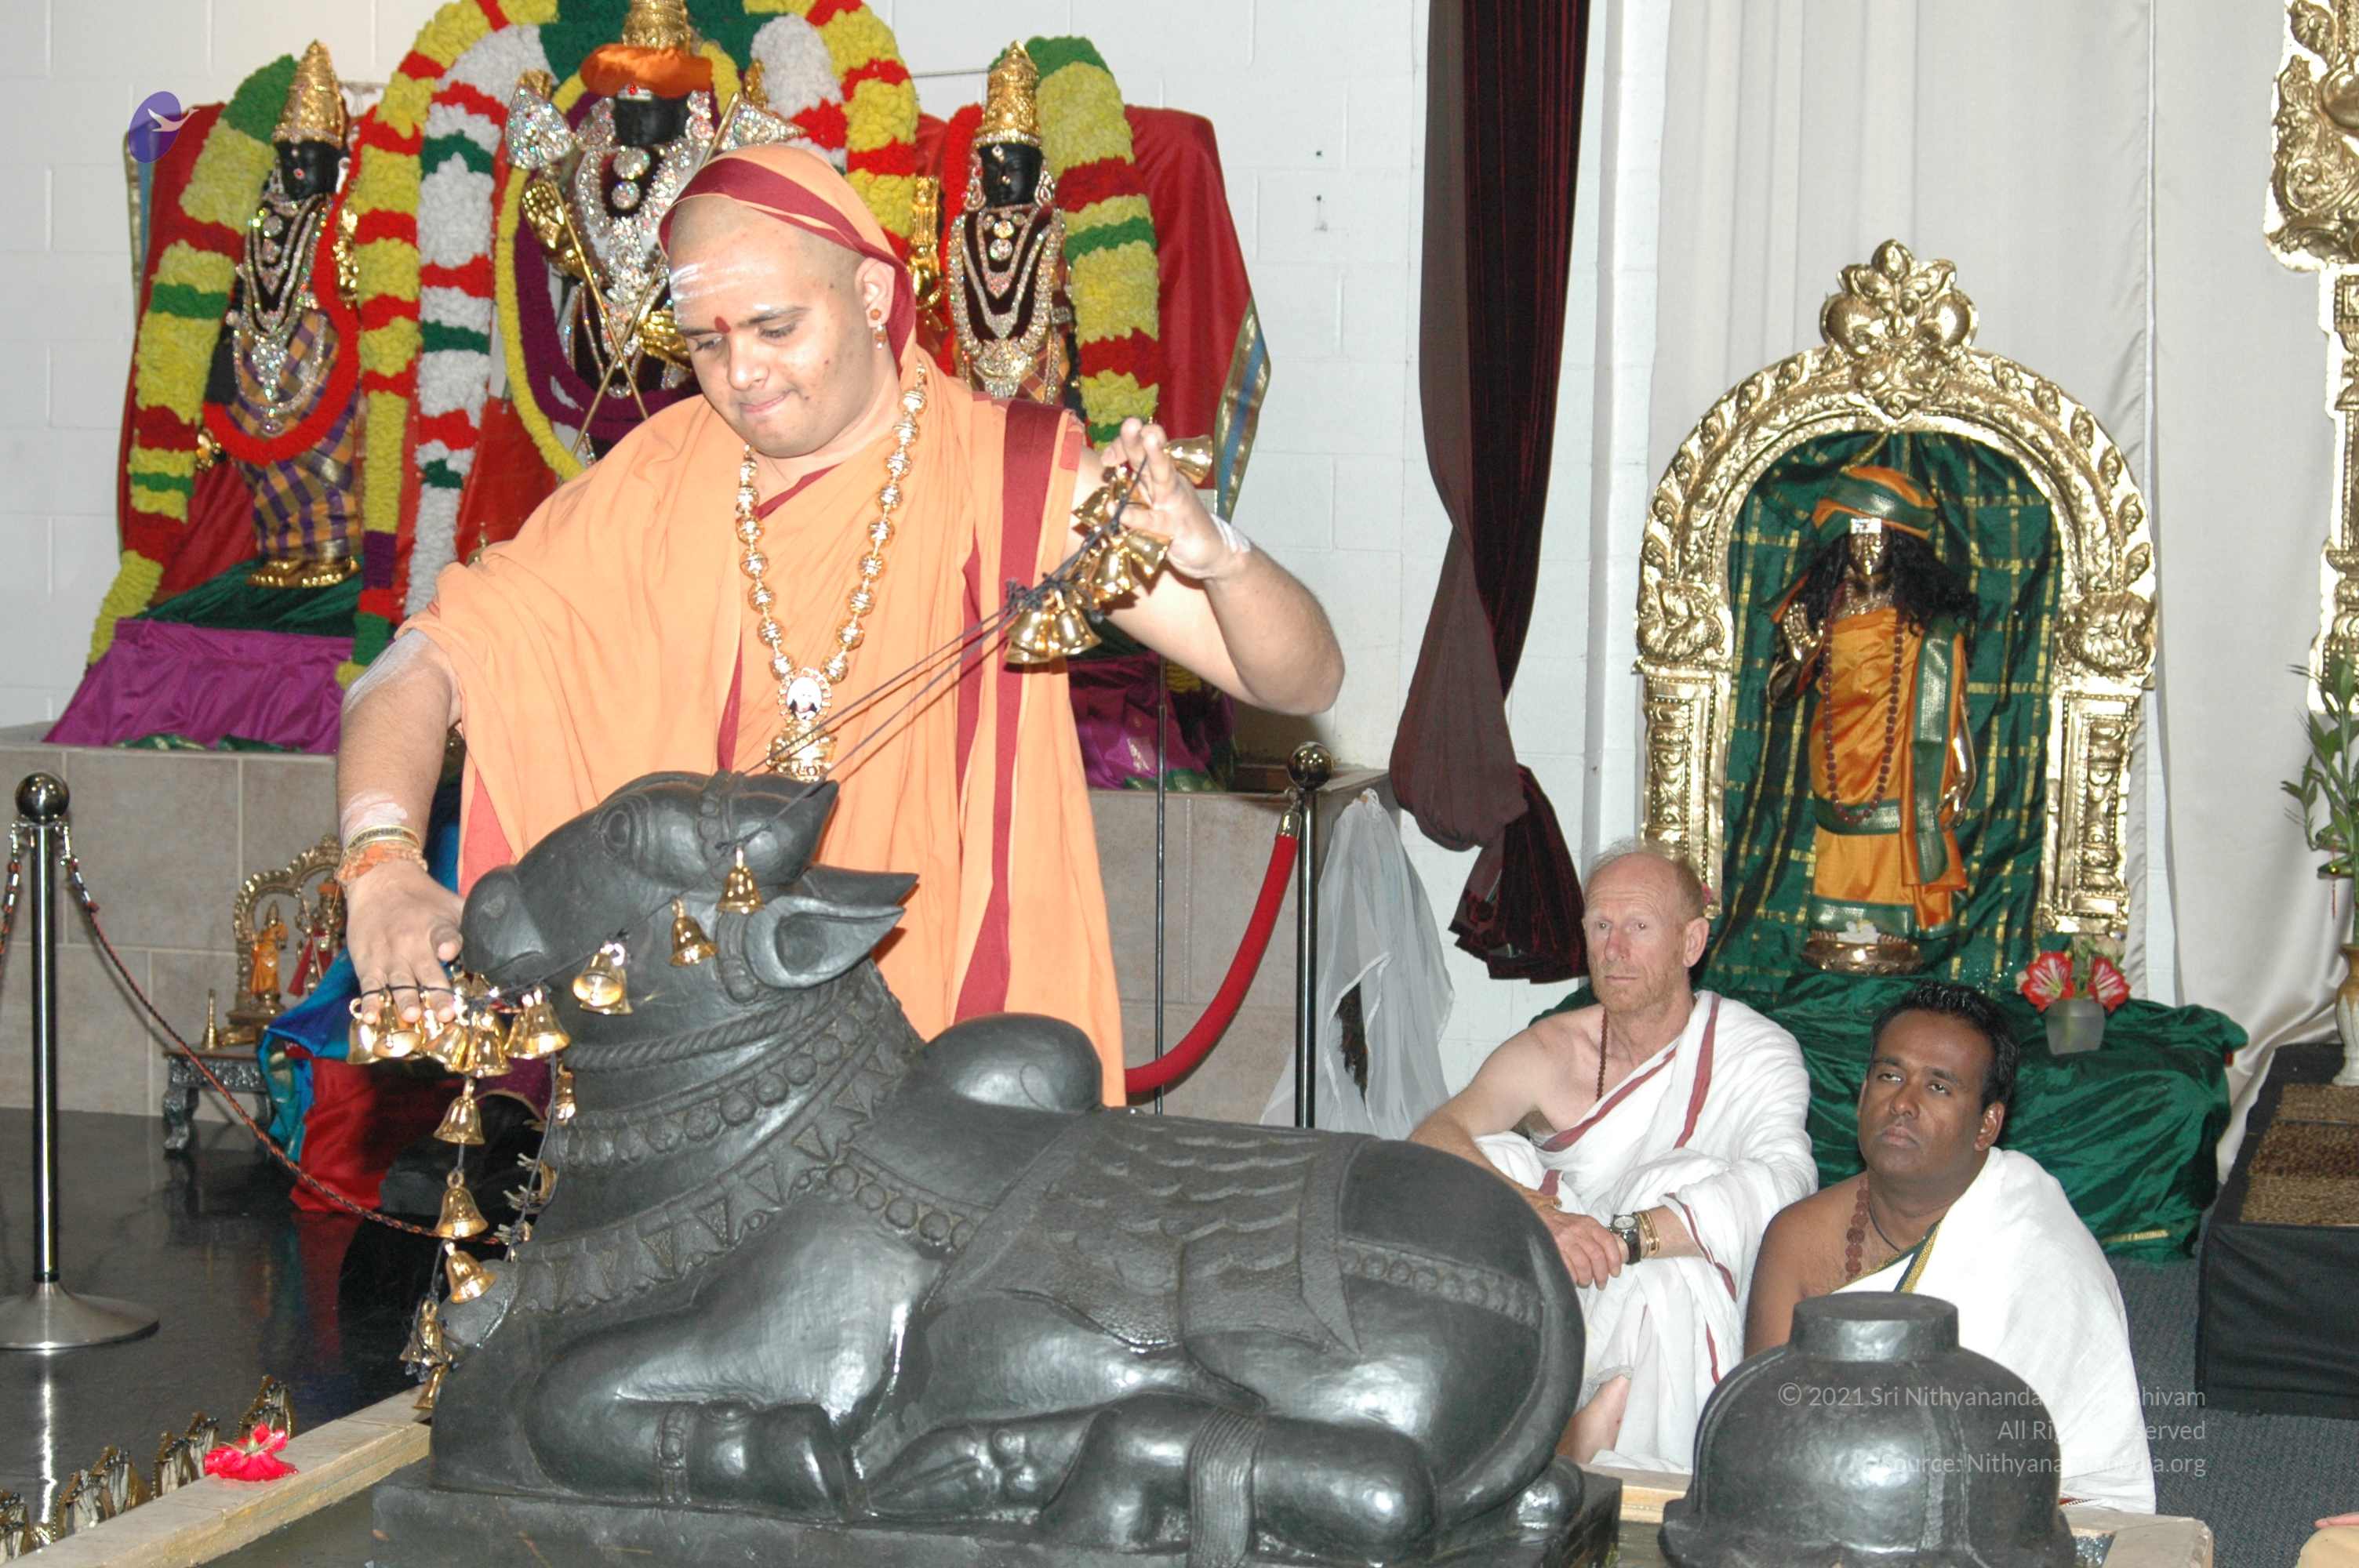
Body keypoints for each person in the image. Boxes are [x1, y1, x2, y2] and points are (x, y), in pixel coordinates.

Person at [333, 142, 1343, 1102]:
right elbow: (416, 666)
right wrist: (380, 866)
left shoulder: (1010, 472)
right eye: (706, 342)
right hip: (714, 1064)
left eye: (774, 328)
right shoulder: (656, 480)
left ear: (870, 294)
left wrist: (1221, 557)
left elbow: (1301, 681)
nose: (740, 373)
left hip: (958, 1040)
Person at [1408, 840, 1816, 1470]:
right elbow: (1434, 1136)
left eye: (1639, 927)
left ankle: (1605, 1447)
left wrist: (1627, 1237)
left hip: (1684, 1293)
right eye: (1600, 925)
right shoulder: (1553, 1050)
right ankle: (1492, 1437)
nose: (1614, 948)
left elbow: (1784, 1183)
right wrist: (1543, 1216)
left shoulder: (1756, 1052)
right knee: (1493, 1161)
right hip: (1565, 1290)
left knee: (1673, 1233)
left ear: (1691, 943)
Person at [1744, 980, 2154, 1512]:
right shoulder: (1798, 1237)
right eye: (1890, 1076)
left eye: (1938, 1087)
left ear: (1987, 1124)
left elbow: (2075, 1481)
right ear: (1863, 1095)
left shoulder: (2040, 1253)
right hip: (1822, 1502)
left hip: (1996, 1518)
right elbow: (1763, 1431)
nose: (1903, 1103)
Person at [1766, 463, 1976, 975]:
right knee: (1841, 846)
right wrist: (1798, 658)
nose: (1866, 549)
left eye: (1878, 538)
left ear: (1899, 546)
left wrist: (1964, 769)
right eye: (1857, 537)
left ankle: (1888, 936)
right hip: (1836, 759)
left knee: (1887, 843)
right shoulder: (1820, 609)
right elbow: (1778, 694)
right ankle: (1838, 934)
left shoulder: (1924, 621)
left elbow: (1950, 706)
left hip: (1900, 762)